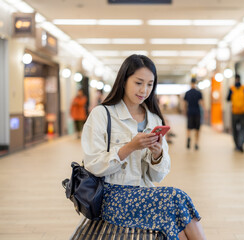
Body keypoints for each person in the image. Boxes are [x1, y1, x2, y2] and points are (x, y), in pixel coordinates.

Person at [81, 55, 206, 240]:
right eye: (138, 82)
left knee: (174, 217)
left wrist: (157, 155)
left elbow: (157, 176)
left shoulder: (154, 118)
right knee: (176, 198)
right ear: (123, 80)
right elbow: (93, 165)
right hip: (112, 197)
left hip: (144, 193)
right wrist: (129, 147)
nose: (144, 90)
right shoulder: (102, 114)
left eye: (150, 84)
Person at [227, 74, 244, 152]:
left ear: (235, 79)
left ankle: (237, 145)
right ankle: (241, 144)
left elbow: (227, 99)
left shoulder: (232, 89)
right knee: (243, 129)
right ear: (240, 79)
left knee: (235, 130)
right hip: (243, 112)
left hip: (234, 112)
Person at [183, 78, 205, 150]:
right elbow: (201, 103)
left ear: (190, 83)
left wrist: (185, 111)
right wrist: (205, 111)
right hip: (197, 112)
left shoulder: (187, 93)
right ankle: (196, 143)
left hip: (190, 112)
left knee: (189, 127)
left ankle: (189, 138)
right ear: (195, 83)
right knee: (197, 129)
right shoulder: (198, 93)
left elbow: (185, 103)